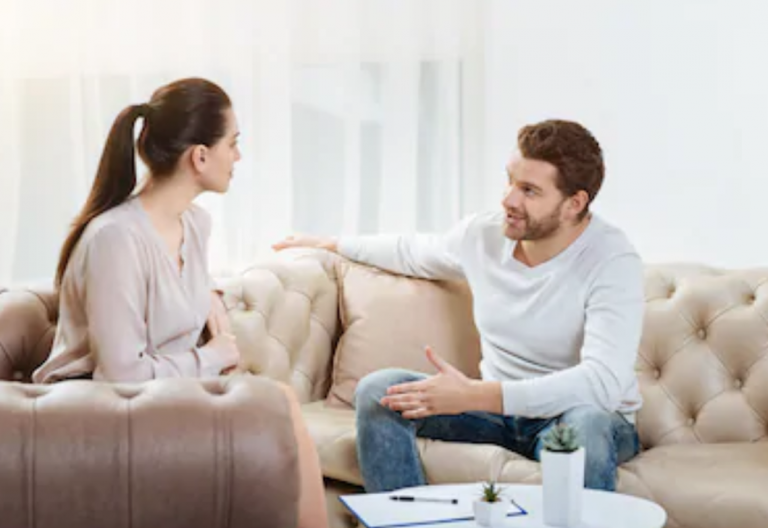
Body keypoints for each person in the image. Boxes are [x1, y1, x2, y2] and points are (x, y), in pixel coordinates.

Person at [273, 119, 644, 493]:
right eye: (510, 181)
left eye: (529, 191)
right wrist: (331, 244)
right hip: (497, 415)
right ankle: (406, 517)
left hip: (575, 416)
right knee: (379, 392)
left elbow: (603, 383)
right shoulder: (484, 235)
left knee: (586, 427)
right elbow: (413, 251)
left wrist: (477, 394)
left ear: (574, 204)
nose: (509, 200)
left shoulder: (612, 259)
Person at [33, 78, 328, 528]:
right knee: (279, 405)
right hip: (93, 410)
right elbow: (120, 376)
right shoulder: (116, 239)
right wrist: (212, 356)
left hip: (158, 400)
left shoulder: (194, 224)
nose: (238, 157)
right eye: (233, 143)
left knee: (278, 406)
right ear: (200, 156)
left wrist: (207, 294)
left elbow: (172, 289)